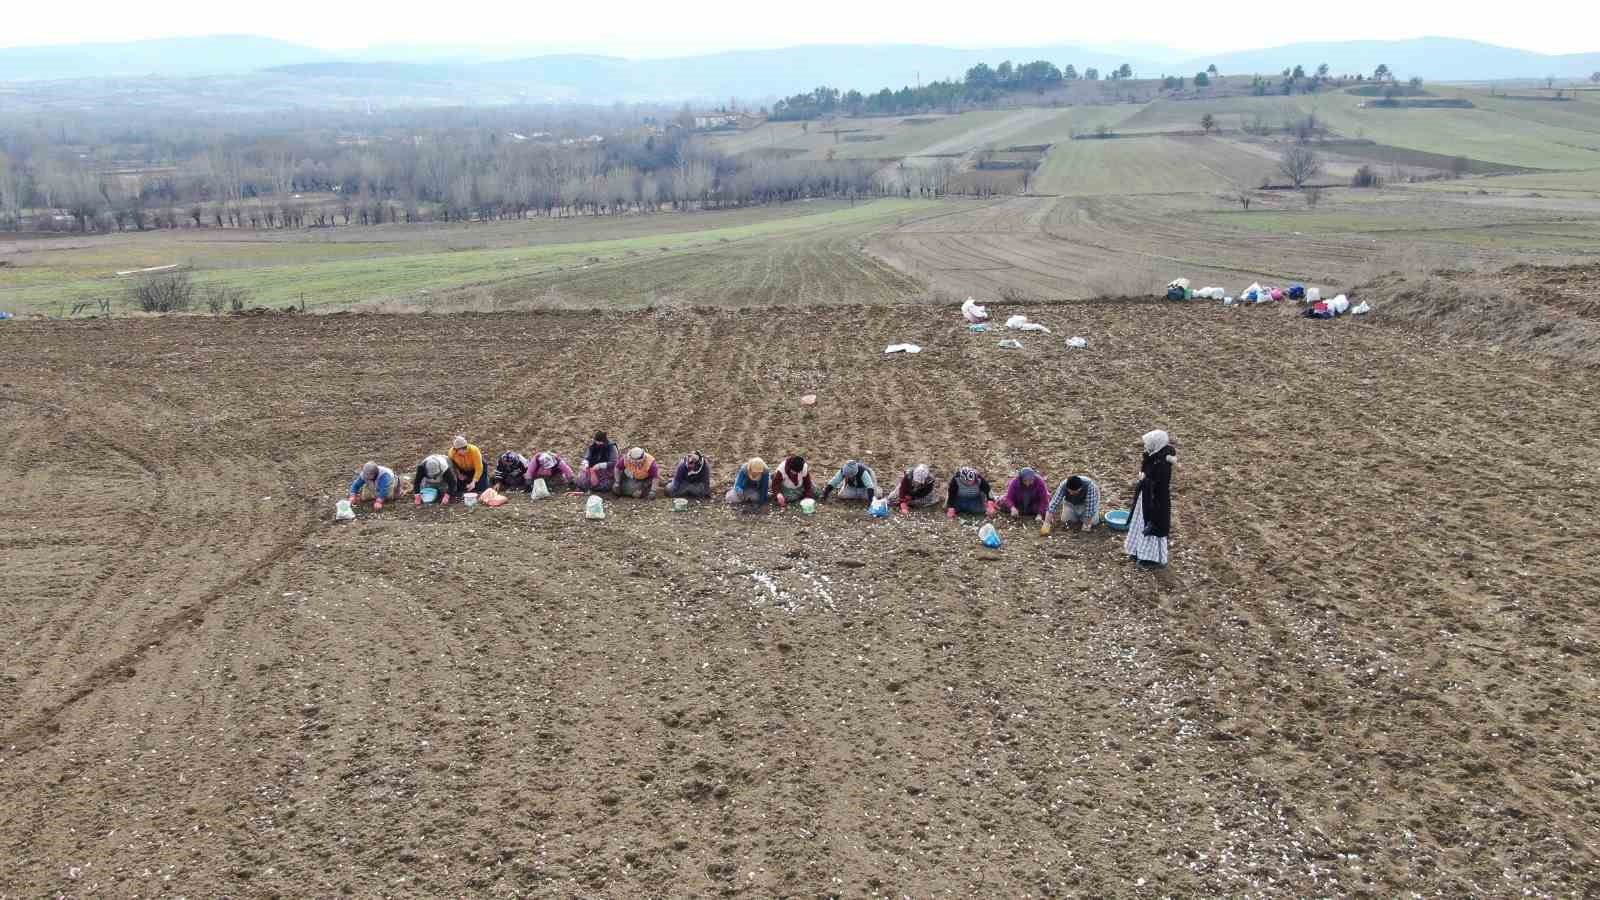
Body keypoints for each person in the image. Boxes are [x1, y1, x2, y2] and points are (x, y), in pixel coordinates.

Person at [1125, 430, 1176, 567]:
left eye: (1149, 443)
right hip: (1145, 497)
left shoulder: (1163, 463)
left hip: (1156, 501)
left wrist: (1145, 479)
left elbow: (1159, 485)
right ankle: (1138, 551)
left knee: (1153, 525)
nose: (1146, 446)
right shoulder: (1151, 457)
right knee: (1141, 523)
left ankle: (1152, 559)